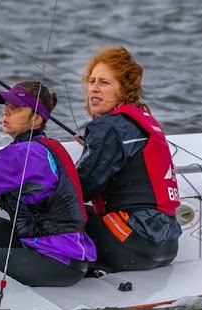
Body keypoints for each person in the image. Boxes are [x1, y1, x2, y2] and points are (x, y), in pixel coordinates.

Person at [0, 81, 96, 286]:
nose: (6, 112)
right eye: (6, 106)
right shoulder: (41, 146)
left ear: (36, 119)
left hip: (59, 259)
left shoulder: (29, 153)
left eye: (15, 108)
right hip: (37, 243)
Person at [76, 46, 181, 273]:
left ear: (124, 90)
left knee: (56, 213)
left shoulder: (109, 127)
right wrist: (94, 150)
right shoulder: (142, 121)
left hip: (132, 245)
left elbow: (79, 189)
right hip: (166, 247)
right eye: (91, 81)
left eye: (104, 82)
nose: (94, 88)